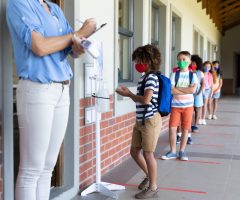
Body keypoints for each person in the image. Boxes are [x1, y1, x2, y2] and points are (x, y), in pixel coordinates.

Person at [6, 0, 96, 200]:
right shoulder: (19, 4)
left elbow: (69, 49)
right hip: (37, 89)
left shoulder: (54, 8)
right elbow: (39, 46)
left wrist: (79, 44)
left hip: (62, 89)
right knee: (32, 168)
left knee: (48, 166)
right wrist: (78, 33)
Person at [116, 44, 162, 199]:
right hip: (140, 120)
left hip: (150, 120)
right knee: (134, 151)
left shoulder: (151, 78)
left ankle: (153, 187)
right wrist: (128, 94)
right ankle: (150, 176)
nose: (136, 64)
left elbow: (146, 99)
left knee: (148, 154)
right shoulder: (144, 77)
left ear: (147, 60)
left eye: (138, 60)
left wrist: (129, 94)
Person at [161, 51, 198, 161]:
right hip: (175, 106)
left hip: (188, 106)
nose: (181, 62)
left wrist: (179, 89)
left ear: (189, 61)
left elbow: (193, 90)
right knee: (172, 128)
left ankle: (182, 151)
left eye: (184, 60)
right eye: (179, 59)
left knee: (186, 129)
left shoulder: (193, 75)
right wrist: (186, 90)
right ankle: (172, 151)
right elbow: (171, 90)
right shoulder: (174, 74)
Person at [191, 55, 204, 132]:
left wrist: (199, 93)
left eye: (194, 63)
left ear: (197, 64)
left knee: (197, 109)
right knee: (190, 109)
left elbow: (203, 84)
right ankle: (191, 124)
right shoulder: (188, 71)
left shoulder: (200, 73)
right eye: (191, 63)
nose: (192, 65)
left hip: (197, 93)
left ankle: (195, 124)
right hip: (190, 92)